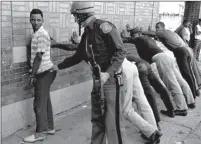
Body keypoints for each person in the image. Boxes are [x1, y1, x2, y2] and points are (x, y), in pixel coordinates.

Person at [51, 2, 127, 144]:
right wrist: (58, 66)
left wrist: (108, 73)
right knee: (97, 119)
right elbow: (78, 56)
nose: (74, 19)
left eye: (75, 16)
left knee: (112, 122)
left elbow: (121, 51)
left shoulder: (103, 27)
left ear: (81, 14)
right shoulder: (87, 34)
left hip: (110, 80)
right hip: (98, 80)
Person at [123, 27, 196, 117]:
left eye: (134, 35)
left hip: (160, 60)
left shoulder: (139, 38)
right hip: (166, 58)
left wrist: (123, 37)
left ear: (138, 34)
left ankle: (182, 109)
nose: (133, 37)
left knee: (172, 84)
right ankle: (190, 102)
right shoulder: (148, 39)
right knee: (180, 81)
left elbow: (129, 40)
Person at [143, 22, 201, 99]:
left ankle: (192, 94)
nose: (156, 29)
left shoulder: (162, 32)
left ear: (162, 27)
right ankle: (195, 90)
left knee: (186, 73)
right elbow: (157, 36)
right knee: (189, 72)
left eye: (157, 27)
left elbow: (152, 33)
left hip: (181, 51)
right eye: (156, 28)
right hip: (186, 50)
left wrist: (141, 31)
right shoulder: (168, 32)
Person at [23, 9, 57, 143]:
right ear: (30, 20)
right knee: (45, 100)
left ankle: (40, 133)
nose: (35, 22)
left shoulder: (41, 34)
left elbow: (38, 57)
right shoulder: (37, 33)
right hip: (46, 72)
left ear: (42, 20)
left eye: (38, 20)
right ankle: (49, 127)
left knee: (38, 104)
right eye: (33, 19)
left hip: (44, 73)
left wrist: (32, 75)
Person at [121, 59, 162, 144]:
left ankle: (152, 132)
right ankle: (153, 132)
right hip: (131, 66)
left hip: (123, 69)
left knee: (126, 110)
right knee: (142, 101)